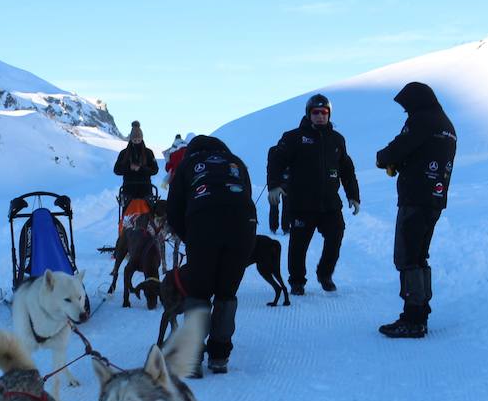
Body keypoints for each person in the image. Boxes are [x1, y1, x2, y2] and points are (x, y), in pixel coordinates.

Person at [165, 133, 257, 375]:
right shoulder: (235, 162)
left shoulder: (187, 164)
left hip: (203, 225)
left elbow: (173, 211)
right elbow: (246, 194)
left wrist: (192, 240)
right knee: (226, 293)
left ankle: (192, 358)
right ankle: (219, 357)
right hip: (243, 226)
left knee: (200, 292)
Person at [374, 82, 457, 338]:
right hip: (435, 198)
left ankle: (412, 317)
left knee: (407, 256)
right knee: (420, 255)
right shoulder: (446, 124)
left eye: (406, 107)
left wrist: (384, 158)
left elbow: (399, 147)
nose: (406, 112)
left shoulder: (422, 119)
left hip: (414, 197)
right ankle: (420, 312)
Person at [266, 94, 360, 295]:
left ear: (329, 114)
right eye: (315, 112)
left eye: (324, 112)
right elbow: (276, 161)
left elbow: (347, 170)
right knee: (299, 245)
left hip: (330, 204)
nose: (320, 116)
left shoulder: (337, 140)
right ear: (309, 114)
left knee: (336, 235)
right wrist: (274, 185)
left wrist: (353, 195)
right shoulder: (293, 137)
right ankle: (297, 281)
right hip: (301, 203)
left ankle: (325, 274)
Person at [114, 121, 159, 203]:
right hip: (129, 190)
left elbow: (155, 170)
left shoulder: (148, 153)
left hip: (145, 190)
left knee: (147, 215)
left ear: (142, 139)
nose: (137, 142)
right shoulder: (124, 153)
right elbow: (116, 170)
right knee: (129, 215)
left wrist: (141, 169)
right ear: (131, 139)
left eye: (139, 140)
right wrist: (129, 167)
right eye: (135, 140)